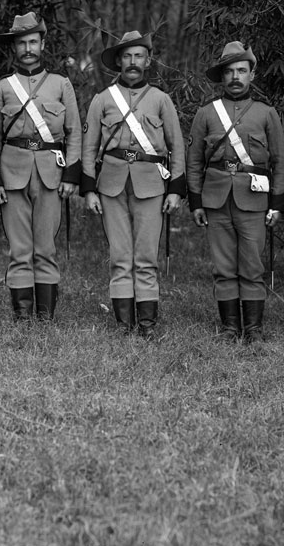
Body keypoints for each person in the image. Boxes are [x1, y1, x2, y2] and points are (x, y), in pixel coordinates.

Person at [81, 31, 185, 338]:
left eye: (139, 56)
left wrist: (176, 190)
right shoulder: (102, 100)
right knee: (120, 255)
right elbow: (89, 148)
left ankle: (148, 323)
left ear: (148, 61)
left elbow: (176, 146)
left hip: (151, 183)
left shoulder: (161, 100)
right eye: (126, 56)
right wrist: (88, 189)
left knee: (146, 256)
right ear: (118, 62)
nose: (133, 62)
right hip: (111, 183)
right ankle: (124, 323)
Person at [187, 42, 284, 342]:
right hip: (216, 197)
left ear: (251, 75)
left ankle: (254, 329)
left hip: (254, 199)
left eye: (241, 71)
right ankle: (231, 327)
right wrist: (196, 202)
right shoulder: (206, 114)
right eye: (229, 71)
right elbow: (194, 162)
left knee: (252, 265)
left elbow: (281, 162)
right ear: (222, 76)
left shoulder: (266, 114)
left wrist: (277, 204)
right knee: (223, 266)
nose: (235, 77)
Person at [0, 12, 81, 321]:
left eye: (33, 42)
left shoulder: (60, 84)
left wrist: (71, 174)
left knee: (45, 247)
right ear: (14, 47)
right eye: (22, 43)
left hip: (51, 173)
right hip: (12, 172)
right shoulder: (2, 88)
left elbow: (74, 132)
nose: (27, 48)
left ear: (43, 43)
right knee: (19, 248)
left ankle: (46, 314)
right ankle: (23, 314)